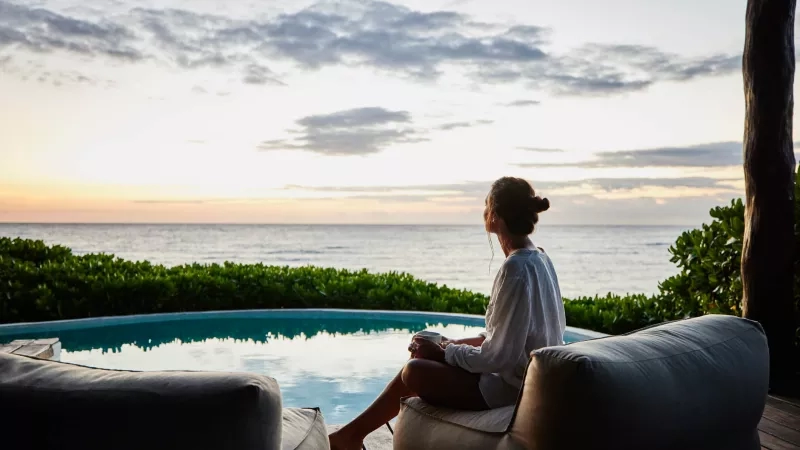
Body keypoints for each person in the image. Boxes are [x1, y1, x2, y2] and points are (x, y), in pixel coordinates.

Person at [328, 176, 566, 450]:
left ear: (495, 217)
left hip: (509, 390)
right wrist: (448, 344)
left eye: (487, 206)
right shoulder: (541, 258)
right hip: (518, 379)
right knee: (422, 354)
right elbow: (507, 337)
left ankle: (350, 435)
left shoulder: (516, 268)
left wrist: (443, 354)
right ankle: (351, 435)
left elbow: (499, 357)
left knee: (414, 371)